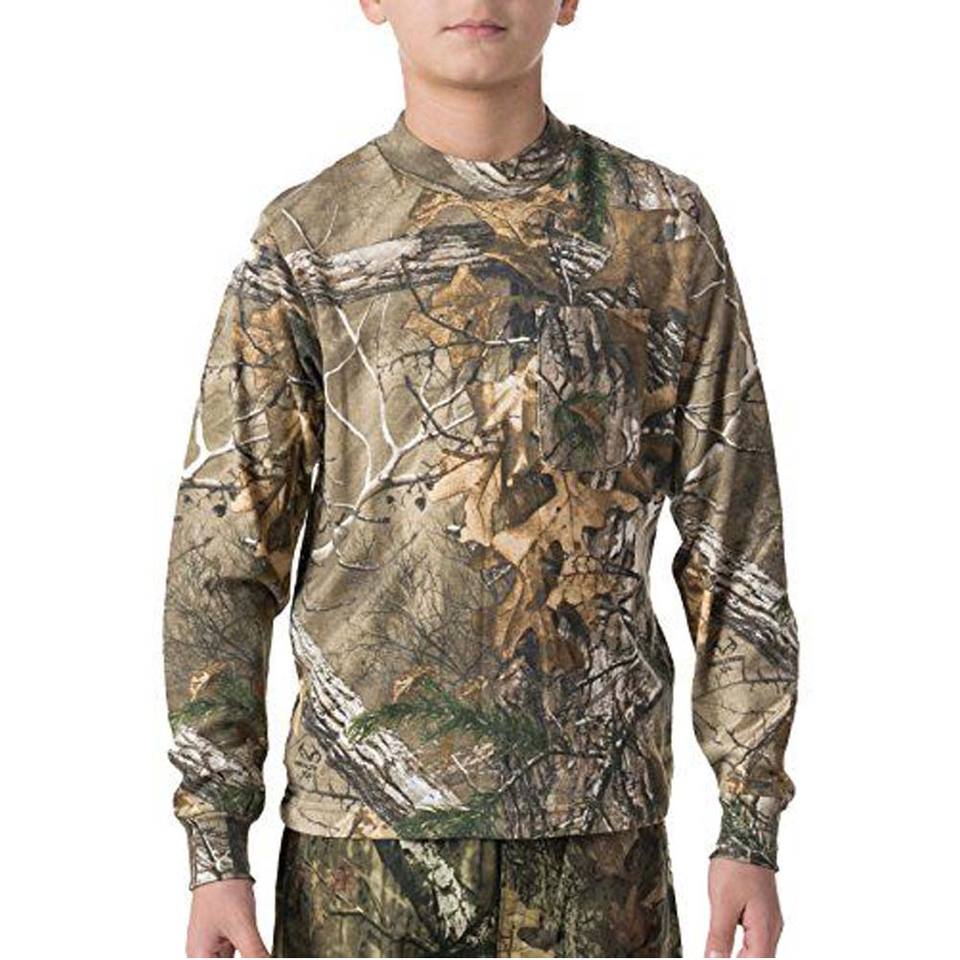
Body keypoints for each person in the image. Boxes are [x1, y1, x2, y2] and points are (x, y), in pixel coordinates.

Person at [161, 1, 799, 956]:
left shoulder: (660, 227)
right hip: (361, 846)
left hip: (599, 840)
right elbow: (225, 552)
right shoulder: (309, 238)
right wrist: (215, 846)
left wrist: (749, 821)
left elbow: (735, 536)